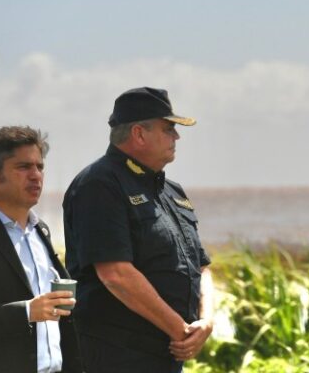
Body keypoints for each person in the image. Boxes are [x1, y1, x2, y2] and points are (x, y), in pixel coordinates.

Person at [63, 87, 213, 373]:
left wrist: (206, 322)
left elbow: (202, 266)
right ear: (139, 134)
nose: (176, 137)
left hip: (167, 354)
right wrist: (180, 330)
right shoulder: (99, 184)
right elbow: (115, 274)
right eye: (168, 129)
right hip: (119, 356)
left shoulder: (171, 191)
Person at [0, 125, 82, 373]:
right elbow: (32, 311)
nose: (36, 175)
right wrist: (26, 312)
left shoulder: (40, 230)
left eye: (40, 167)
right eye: (23, 167)